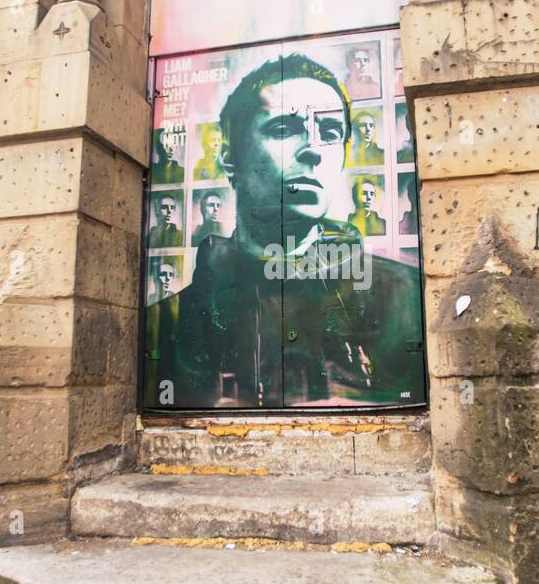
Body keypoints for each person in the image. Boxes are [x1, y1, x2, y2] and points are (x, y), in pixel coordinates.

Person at [146, 52, 425, 409]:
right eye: (283, 129)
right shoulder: (169, 322)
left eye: (330, 132)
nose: (313, 150)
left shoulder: (402, 297)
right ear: (231, 160)